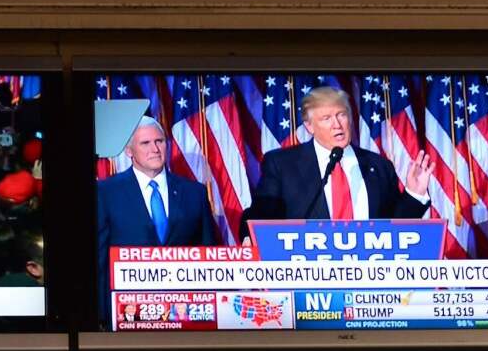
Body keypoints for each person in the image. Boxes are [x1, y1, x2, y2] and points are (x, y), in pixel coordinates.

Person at [240, 86, 434, 239]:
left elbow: (395, 228)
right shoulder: (283, 164)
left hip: (368, 276)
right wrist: (250, 234)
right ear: (309, 126)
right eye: (326, 118)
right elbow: (263, 213)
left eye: (341, 114)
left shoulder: (378, 166)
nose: (337, 124)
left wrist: (414, 194)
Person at [96, 116, 215, 252]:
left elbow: (208, 251)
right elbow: (100, 255)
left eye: (159, 141)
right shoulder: (106, 193)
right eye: (145, 143)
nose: (155, 149)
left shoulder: (195, 193)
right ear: (129, 151)